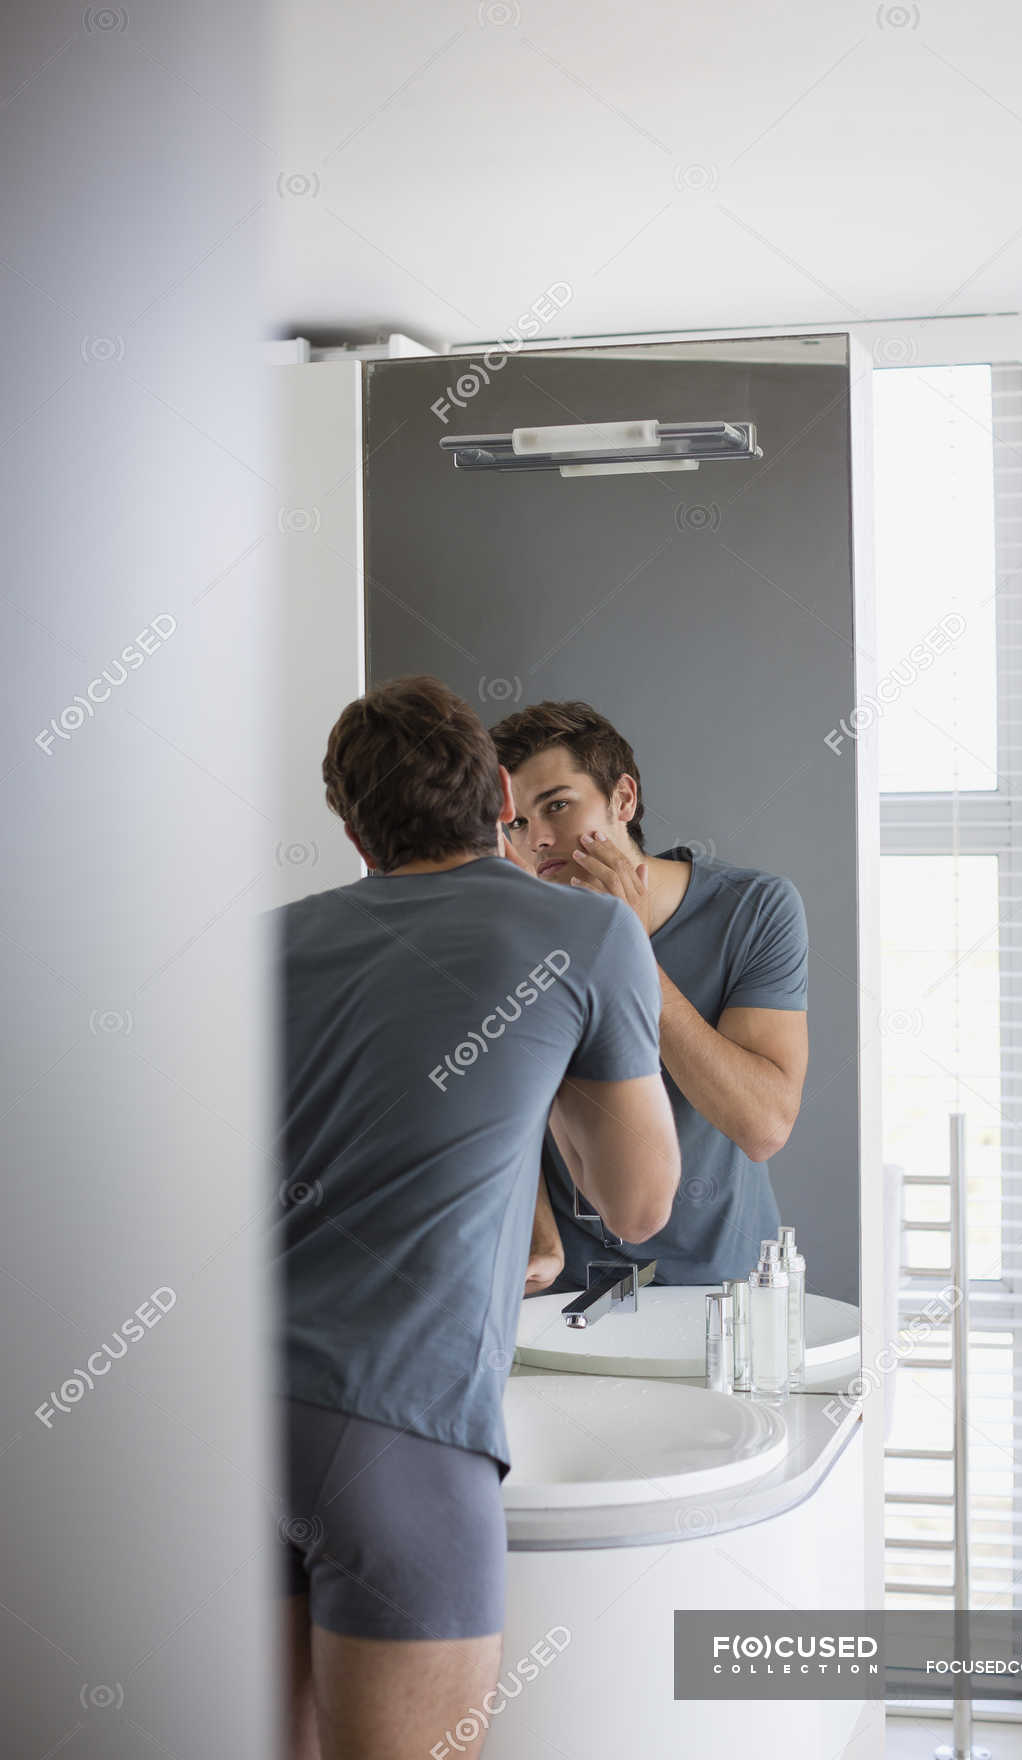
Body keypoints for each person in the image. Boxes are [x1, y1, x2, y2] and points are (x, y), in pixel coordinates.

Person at [270, 676, 679, 1760]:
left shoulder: (266, 944)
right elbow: (638, 1206)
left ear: (356, 833)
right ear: (500, 794)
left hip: (224, 1423)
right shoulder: (587, 934)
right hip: (404, 1432)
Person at [490, 700, 809, 1295]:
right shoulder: (514, 932)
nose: (537, 840)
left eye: (557, 806)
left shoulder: (755, 909)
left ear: (623, 799)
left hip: (718, 1290)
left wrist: (629, 955)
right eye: (515, 823)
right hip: (563, 1292)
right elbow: (513, 1105)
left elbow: (763, 1125)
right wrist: (538, 1234)